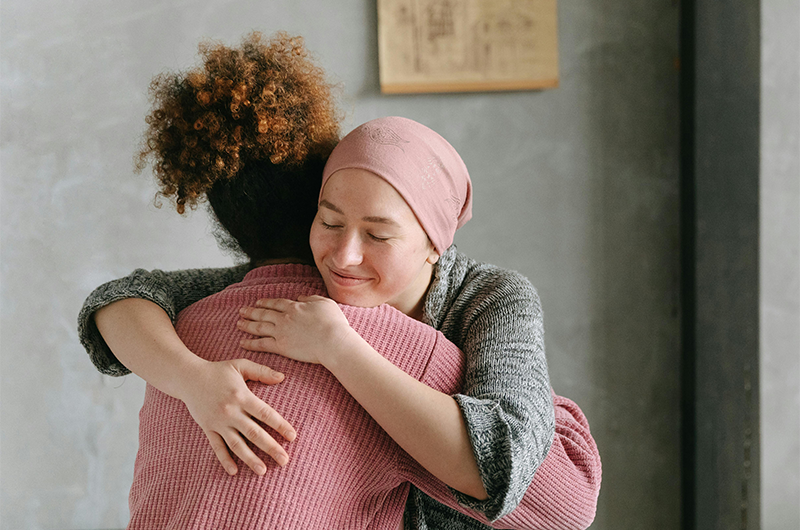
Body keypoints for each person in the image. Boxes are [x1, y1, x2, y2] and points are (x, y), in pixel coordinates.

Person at [79, 32, 600, 530]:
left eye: (378, 235)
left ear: (435, 243)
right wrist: (195, 380)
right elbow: (121, 300)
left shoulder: (491, 298)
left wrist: (340, 348)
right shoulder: (303, 286)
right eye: (329, 223)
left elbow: (515, 466)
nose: (344, 255)